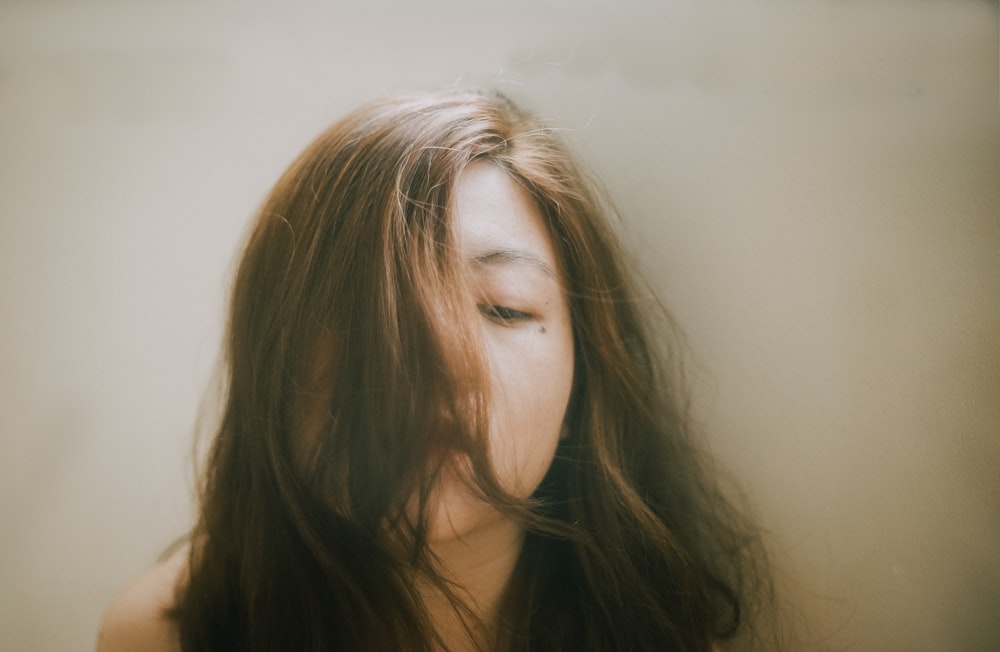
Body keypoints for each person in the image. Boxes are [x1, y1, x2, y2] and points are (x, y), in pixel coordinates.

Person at [97, 90, 776, 651]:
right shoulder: (162, 635)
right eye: (368, 307)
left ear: (585, 383)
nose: (444, 359)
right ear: (274, 369)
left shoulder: (658, 633)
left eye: (505, 310)